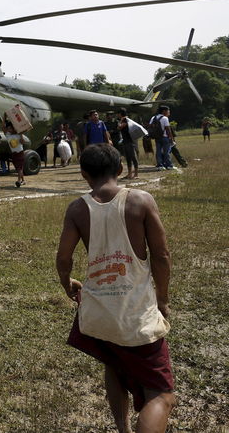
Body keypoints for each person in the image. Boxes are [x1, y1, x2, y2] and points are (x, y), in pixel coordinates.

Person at [56, 143, 174, 433]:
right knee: (161, 394)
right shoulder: (141, 201)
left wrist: (66, 283)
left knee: (114, 365)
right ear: (120, 169)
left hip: (99, 312)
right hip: (136, 314)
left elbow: (63, 258)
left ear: (84, 175)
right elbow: (161, 256)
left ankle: (123, 428)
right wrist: (163, 298)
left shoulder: (77, 209)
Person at [148, 106, 174, 171]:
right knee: (166, 152)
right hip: (165, 137)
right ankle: (169, 165)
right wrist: (171, 138)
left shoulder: (153, 117)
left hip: (157, 138)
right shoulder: (165, 118)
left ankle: (160, 165)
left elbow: (150, 126)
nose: (169, 112)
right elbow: (168, 129)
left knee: (158, 151)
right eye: (168, 111)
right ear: (164, 111)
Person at [118, 108, 139, 180]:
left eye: (118, 114)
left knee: (133, 157)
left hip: (130, 142)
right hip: (126, 141)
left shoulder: (125, 120)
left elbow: (120, 127)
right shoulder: (125, 120)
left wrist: (120, 122)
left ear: (120, 114)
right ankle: (129, 174)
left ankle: (136, 174)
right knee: (128, 158)